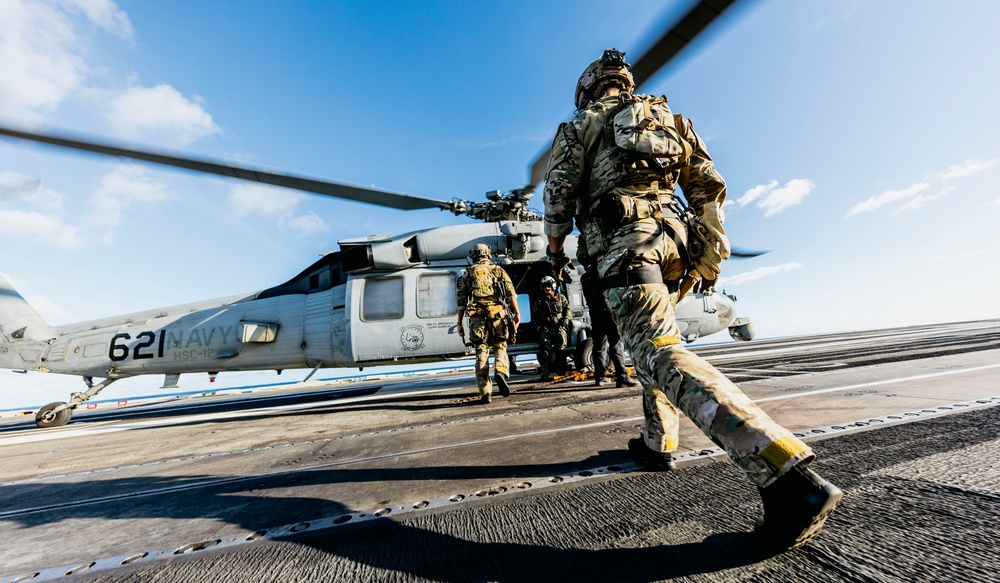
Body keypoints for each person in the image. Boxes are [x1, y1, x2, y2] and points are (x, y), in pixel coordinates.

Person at [541, 48, 841, 552]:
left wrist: (555, 247)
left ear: (589, 88)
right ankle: (660, 443)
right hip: (678, 244)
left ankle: (787, 476)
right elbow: (708, 187)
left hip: (626, 243)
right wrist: (709, 252)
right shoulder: (673, 120)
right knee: (654, 345)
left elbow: (558, 193)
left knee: (658, 353)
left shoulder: (581, 124)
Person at [456, 244, 521, 403]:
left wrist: (459, 323)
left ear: (474, 255)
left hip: (477, 319)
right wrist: (517, 313)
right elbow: (511, 294)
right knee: (500, 347)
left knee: (481, 353)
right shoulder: (498, 270)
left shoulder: (468, 273)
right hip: (497, 315)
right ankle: (500, 370)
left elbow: (461, 302)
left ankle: (486, 392)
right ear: (488, 254)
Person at [580, 267, 639, 388]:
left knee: (599, 345)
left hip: (594, 312)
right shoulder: (602, 273)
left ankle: (600, 377)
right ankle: (622, 377)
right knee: (616, 344)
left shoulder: (585, 278)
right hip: (608, 311)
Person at [533, 276, 571, 381]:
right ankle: (545, 374)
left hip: (559, 328)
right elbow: (535, 315)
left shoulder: (561, 298)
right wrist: (539, 324)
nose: (547, 289)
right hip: (546, 329)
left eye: (549, 286)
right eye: (545, 286)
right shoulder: (540, 300)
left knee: (561, 351)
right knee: (545, 351)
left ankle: (561, 373)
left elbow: (567, 310)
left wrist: (565, 320)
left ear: (553, 286)